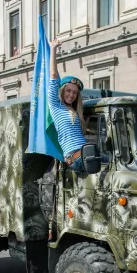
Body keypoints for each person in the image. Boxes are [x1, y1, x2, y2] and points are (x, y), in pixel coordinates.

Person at [48, 38, 87, 172]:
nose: (71, 95)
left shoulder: (75, 111)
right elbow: (53, 75)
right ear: (62, 90)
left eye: (75, 93)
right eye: (68, 91)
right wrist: (53, 50)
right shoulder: (55, 105)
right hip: (74, 157)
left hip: (84, 153)